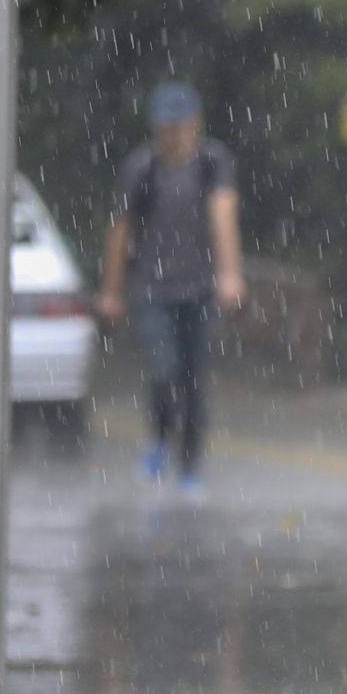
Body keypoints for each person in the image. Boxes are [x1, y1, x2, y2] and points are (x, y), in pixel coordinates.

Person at [96, 82, 243, 497]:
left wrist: (230, 273)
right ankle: (160, 439)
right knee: (163, 373)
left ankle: (191, 465)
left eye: (181, 126)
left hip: (200, 287)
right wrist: (111, 289)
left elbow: (223, 214)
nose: (174, 135)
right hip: (152, 288)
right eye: (167, 127)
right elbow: (120, 231)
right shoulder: (142, 168)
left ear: (195, 125)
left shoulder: (213, 162)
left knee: (196, 381)